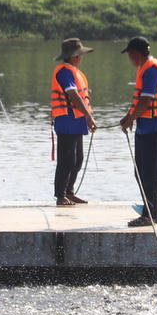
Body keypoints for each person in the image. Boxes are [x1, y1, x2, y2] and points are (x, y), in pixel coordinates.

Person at [118, 35, 157, 227]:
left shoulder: (152, 69)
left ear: (136, 53)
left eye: (130, 54)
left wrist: (131, 118)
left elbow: (147, 100)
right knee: (140, 172)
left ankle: (151, 216)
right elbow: (139, 101)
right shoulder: (143, 68)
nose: (130, 58)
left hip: (155, 128)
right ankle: (149, 213)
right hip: (144, 128)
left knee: (151, 174)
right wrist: (128, 116)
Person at [51, 38, 98, 206]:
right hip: (67, 121)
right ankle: (60, 195)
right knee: (67, 160)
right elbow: (73, 95)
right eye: (79, 54)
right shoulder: (64, 71)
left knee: (78, 159)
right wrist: (89, 116)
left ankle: (69, 192)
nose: (81, 57)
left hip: (77, 122)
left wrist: (86, 118)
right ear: (72, 56)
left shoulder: (74, 71)